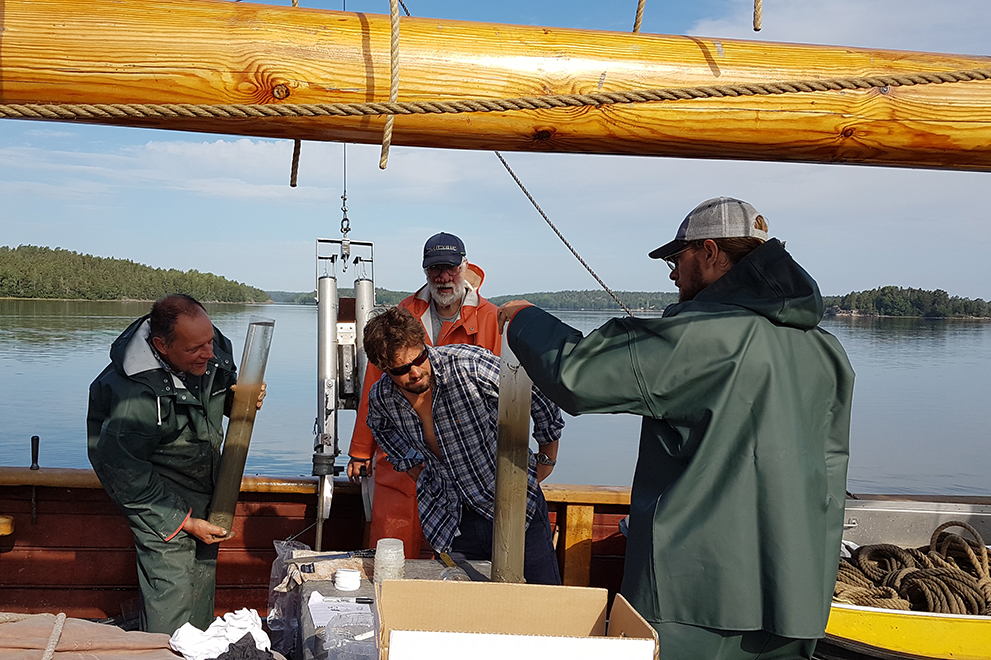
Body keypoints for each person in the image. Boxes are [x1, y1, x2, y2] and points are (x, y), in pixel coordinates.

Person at [498, 197, 854, 659]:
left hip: (695, 598)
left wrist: (524, 318)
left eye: (676, 258)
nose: (671, 274)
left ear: (709, 252)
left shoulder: (704, 335)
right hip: (797, 598)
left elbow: (577, 376)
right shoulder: (828, 353)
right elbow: (829, 467)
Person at [87, 294, 264, 634]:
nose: (210, 353)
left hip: (204, 484)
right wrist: (183, 521)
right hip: (154, 492)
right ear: (161, 345)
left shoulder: (209, 346)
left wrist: (238, 400)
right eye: (196, 348)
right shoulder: (135, 400)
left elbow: (216, 393)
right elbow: (122, 471)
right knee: (172, 594)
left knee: (199, 586)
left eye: (210, 341)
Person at [362, 306, 564, 584]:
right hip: (450, 518)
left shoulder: (468, 365)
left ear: (424, 345)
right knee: (464, 608)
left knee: (543, 601)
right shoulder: (382, 397)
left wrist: (547, 456)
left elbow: (535, 393)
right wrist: (413, 468)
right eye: (402, 369)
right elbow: (379, 427)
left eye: (419, 358)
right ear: (384, 368)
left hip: (514, 505)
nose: (416, 372)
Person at [346, 232, 502, 559]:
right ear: (425, 271)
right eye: (434, 270)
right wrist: (360, 450)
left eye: (450, 268)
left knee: (464, 556)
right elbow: (373, 386)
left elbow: (504, 394)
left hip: (466, 456)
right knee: (391, 549)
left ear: (465, 266)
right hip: (403, 452)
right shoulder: (402, 314)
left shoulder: (490, 318)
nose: (443, 277)